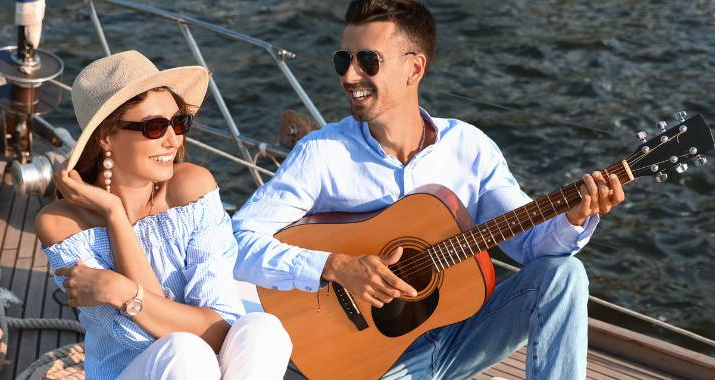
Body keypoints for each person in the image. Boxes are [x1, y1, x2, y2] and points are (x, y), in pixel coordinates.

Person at [232, 1, 626, 378]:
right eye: (343, 60)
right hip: (370, 360)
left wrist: (574, 218)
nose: (349, 76)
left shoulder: (468, 148)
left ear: (414, 68)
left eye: (367, 61)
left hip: (459, 337)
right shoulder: (323, 153)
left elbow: (531, 247)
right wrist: (336, 266)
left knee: (564, 274)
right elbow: (238, 242)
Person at [35, 50, 291, 380]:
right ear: (106, 138)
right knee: (185, 351)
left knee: (263, 328)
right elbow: (147, 339)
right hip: (134, 371)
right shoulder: (62, 224)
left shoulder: (192, 190)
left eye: (179, 122)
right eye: (154, 127)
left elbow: (221, 327)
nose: (173, 140)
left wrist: (123, 291)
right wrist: (115, 215)